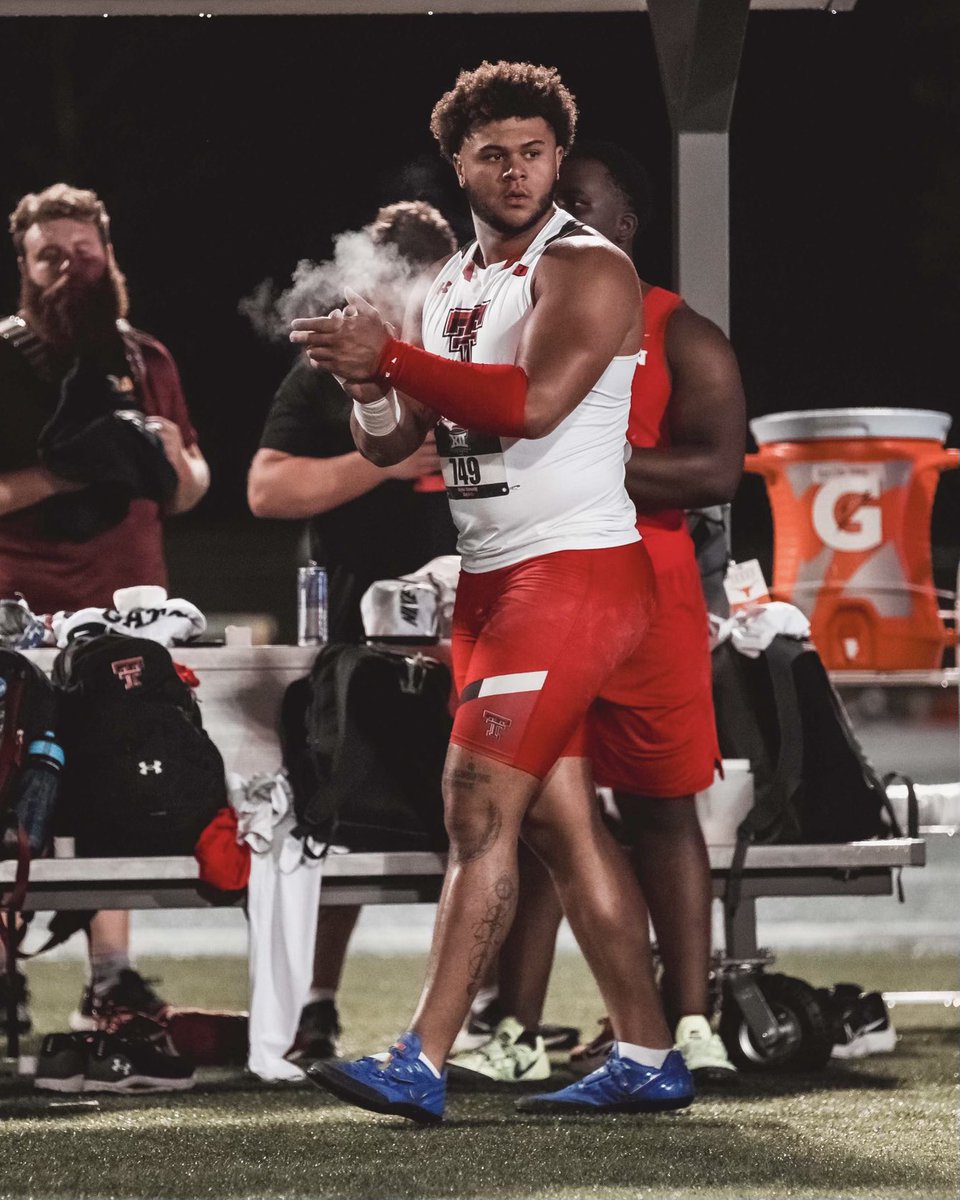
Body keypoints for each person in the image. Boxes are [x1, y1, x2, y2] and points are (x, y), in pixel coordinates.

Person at [291, 60, 695, 1123]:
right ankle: (648, 1054)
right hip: (492, 580)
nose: (516, 171)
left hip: (572, 576)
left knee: (474, 806)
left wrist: (393, 361)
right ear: (458, 166)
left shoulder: (588, 266)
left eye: (533, 152)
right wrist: (367, 384)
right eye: (493, 155)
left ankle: (417, 1059)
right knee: (561, 826)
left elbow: (533, 403)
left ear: (558, 160)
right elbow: (396, 445)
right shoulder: (451, 285)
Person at [445, 141, 746, 1088]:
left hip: (647, 586)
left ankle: (690, 1021)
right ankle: (516, 1027)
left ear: (625, 225)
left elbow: (718, 470)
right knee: (540, 806)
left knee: (661, 807)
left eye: (577, 199)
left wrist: (587, 460)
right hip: (543, 577)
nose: (554, 212)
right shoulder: (509, 308)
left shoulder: (679, 329)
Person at [248, 200, 459, 1062]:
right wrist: (384, 465)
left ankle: (489, 1014)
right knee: (343, 808)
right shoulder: (329, 369)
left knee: (479, 815)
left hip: (465, 620)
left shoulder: (469, 354)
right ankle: (318, 1003)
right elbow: (267, 489)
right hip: (353, 627)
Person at [0, 184, 210, 1032]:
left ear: (108, 256)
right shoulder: (4, 357)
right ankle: (4, 972)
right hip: (18, 612)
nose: (68, 268)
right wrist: (62, 474)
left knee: (122, 782)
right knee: (8, 794)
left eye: (83, 252)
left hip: (125, 608)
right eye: (49, 255)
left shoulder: (143, 357)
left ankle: (113, 978)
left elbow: (190, 487)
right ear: (23, 265)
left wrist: (169, 458)